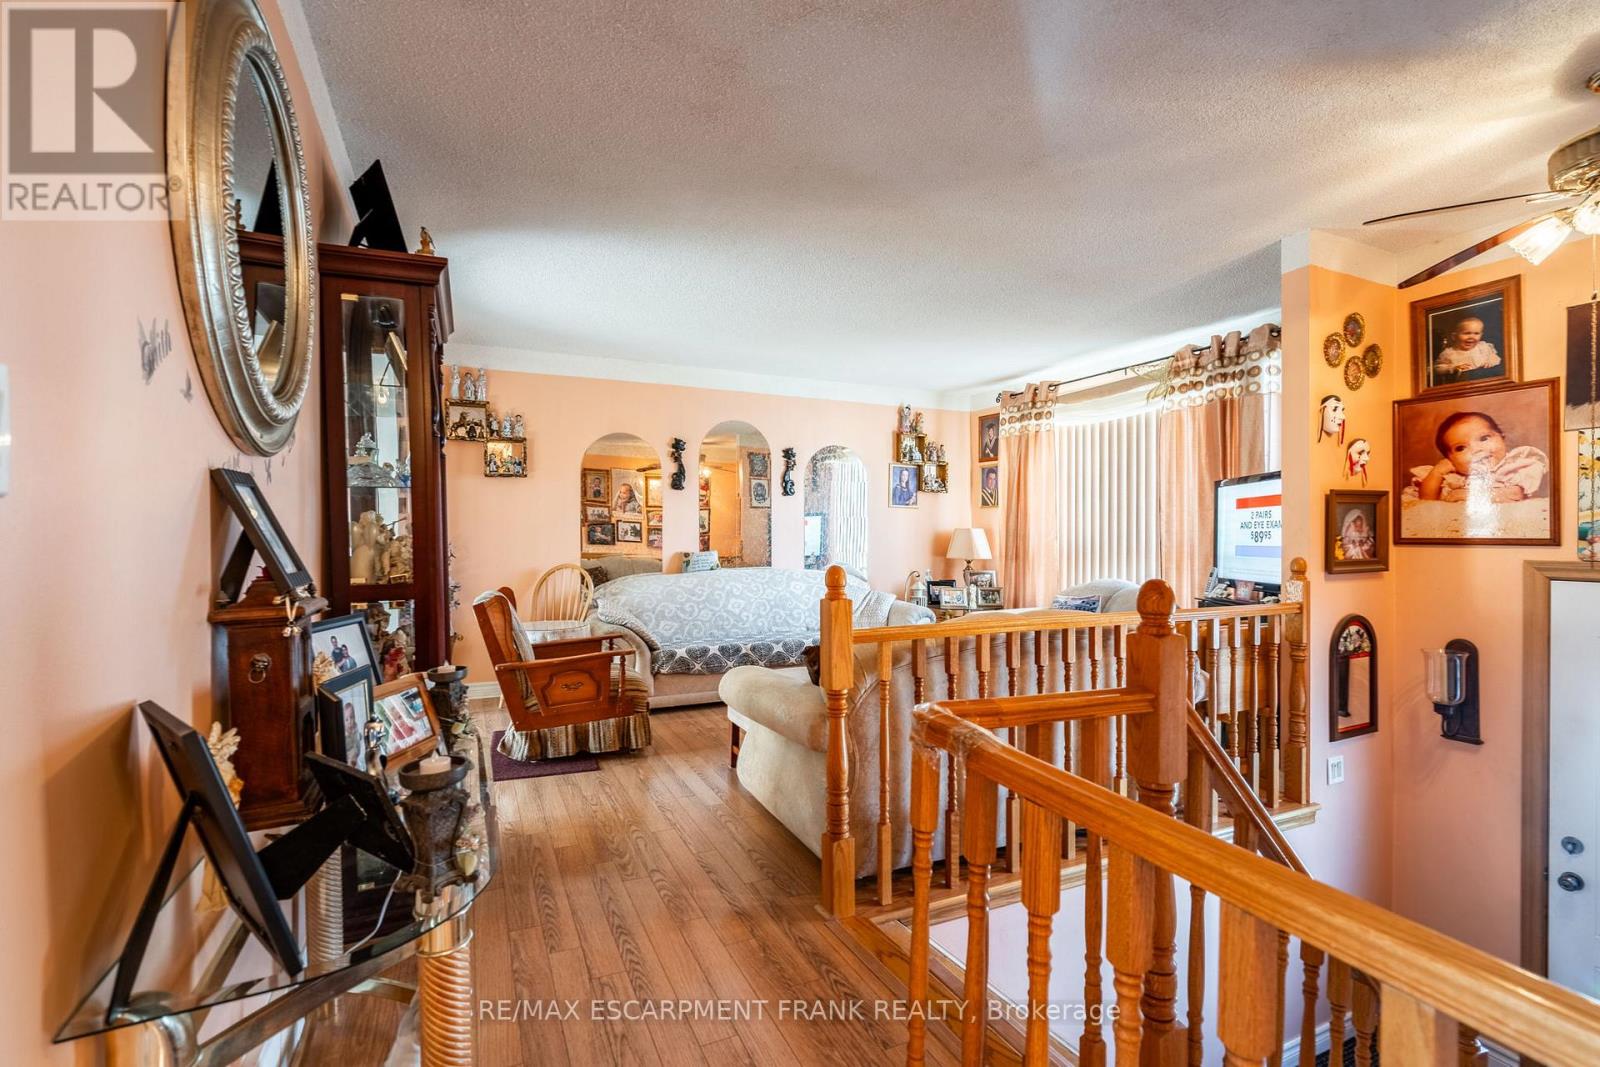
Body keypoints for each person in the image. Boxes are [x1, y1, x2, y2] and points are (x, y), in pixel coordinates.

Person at [1412, 410, 1547, 503]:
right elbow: (1426, 500)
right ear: (1450, 459)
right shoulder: (1454, 478)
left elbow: (1515, 494)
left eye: (1484, 438)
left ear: (1502, 438)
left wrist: (1468, 496)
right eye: (1461, 448)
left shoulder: (1515, 466)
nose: (1476, 450)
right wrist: (1437, 472)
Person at [1434, 317, 1502, 380]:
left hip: (1484, 380)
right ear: (1454, 336)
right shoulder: (1449, 353)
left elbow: (1496, 359)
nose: (1471, 337)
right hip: (1463, 384)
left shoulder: (1483, 348)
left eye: (1476, 333)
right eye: (1467, 333)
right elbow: (1437, 369)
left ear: (1481, 335)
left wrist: (1490, 361)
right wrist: (1453, 368)